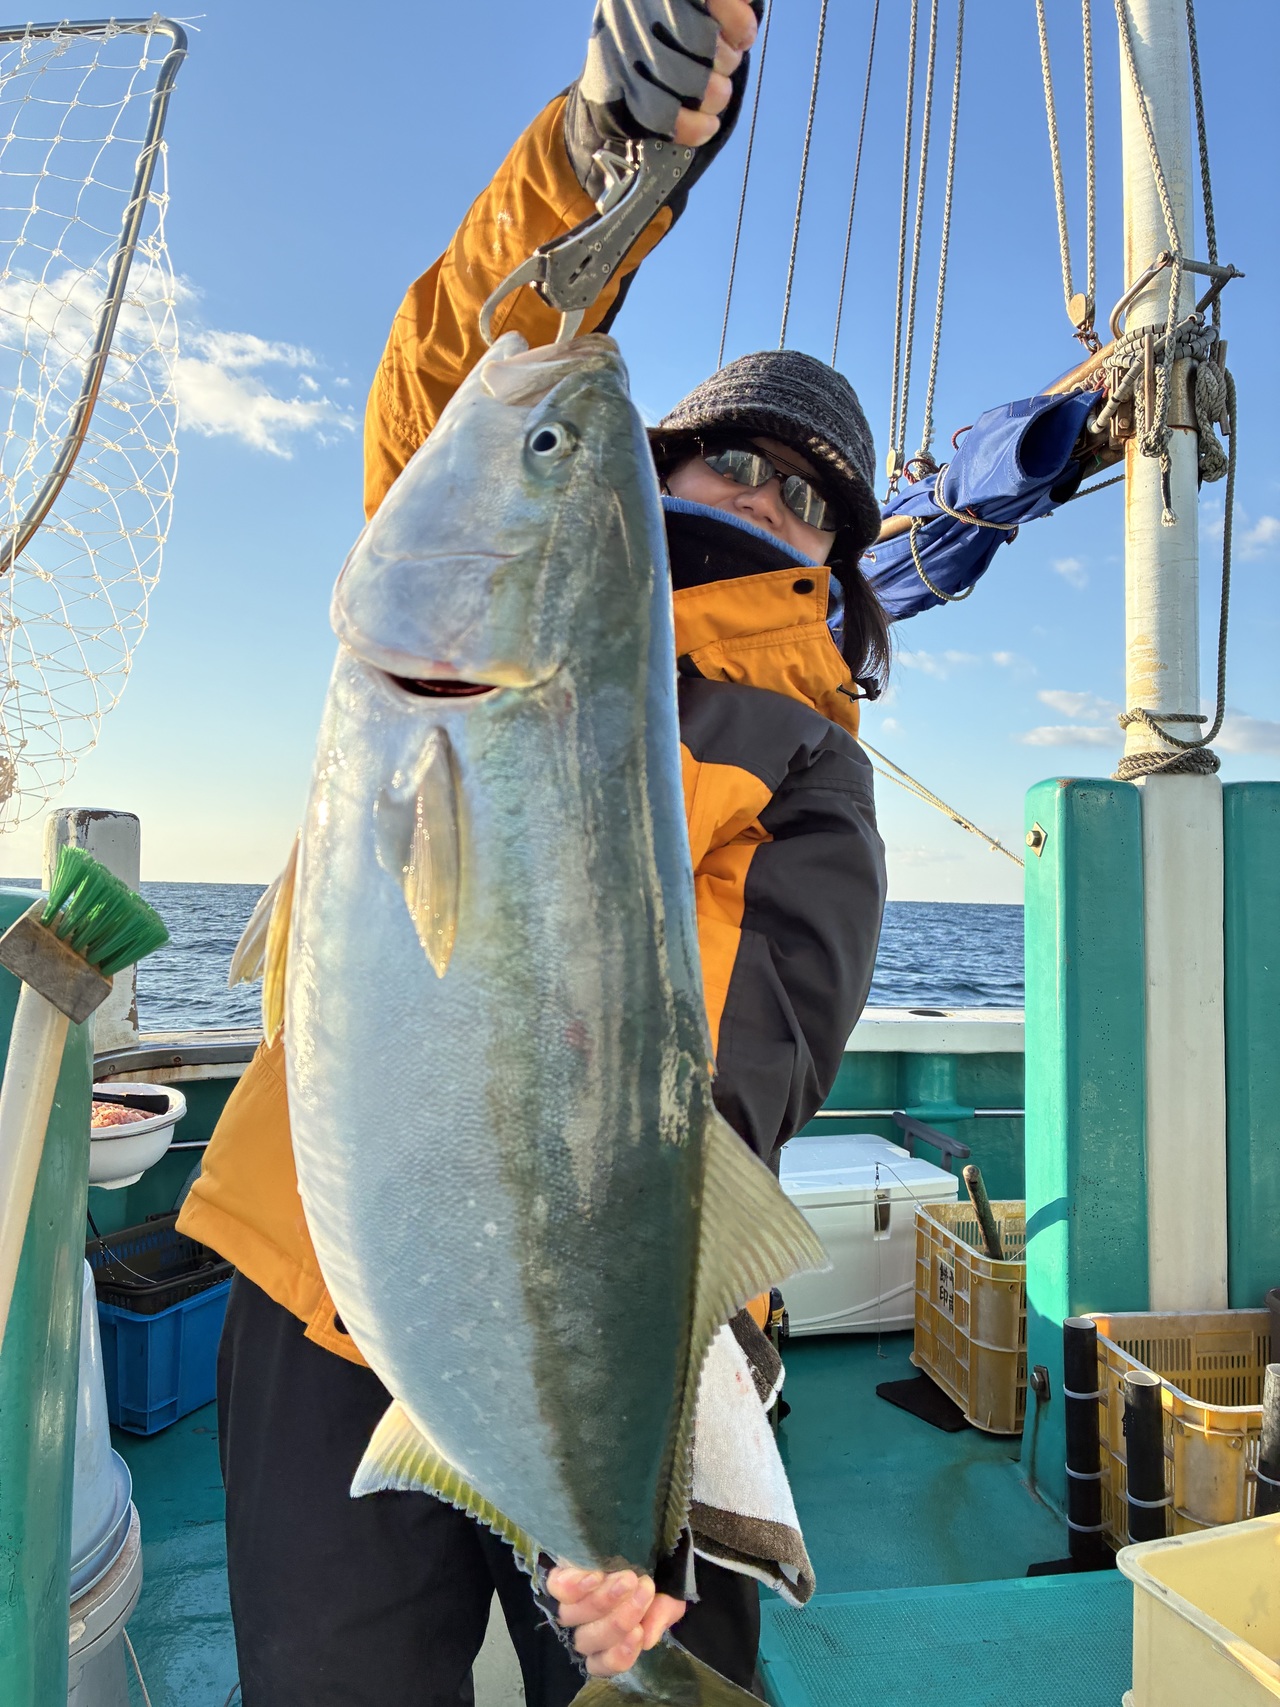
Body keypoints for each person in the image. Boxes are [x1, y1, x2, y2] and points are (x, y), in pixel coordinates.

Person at [177, 1, 888, 1701]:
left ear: (837, 565)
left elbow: (744, 1066)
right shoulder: (491, 548)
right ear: (653, 475)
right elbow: (480, 356)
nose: (764, 496)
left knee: (649, 1663)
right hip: (324, 1258)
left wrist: (640, 1421)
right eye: (731, 456)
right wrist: (605, 159)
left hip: (609, 1327)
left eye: (810, 498)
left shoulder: (811, 761)